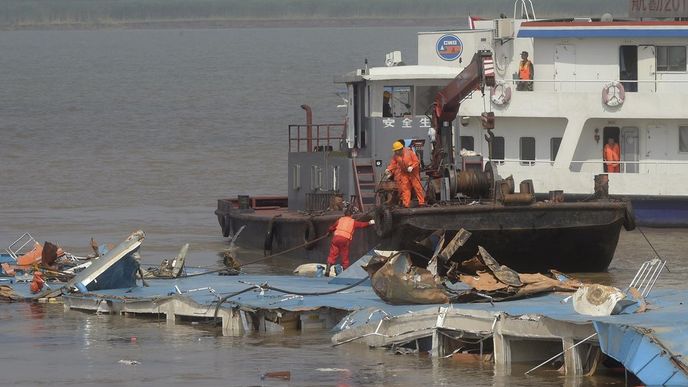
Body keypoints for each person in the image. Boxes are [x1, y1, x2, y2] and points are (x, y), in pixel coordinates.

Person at [325, 207, 374, 275]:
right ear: (351, 215)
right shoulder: (353, 222)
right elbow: (362, 225)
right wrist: (370, 222)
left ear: (344, 214)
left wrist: (329, 232)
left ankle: (327, 270)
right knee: (344, 255)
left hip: (336, 238)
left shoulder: (340, 220)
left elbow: (332, 227)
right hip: (344, 240)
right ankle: (345, 272)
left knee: (332, 254)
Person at [386, 141, 426, 208]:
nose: (395, 152)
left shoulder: (409, 152)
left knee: (417, 187)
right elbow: (393, 164)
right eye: (395, 151)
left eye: (396, 150)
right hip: (404, 172)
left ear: (400, 149)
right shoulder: (396, 156)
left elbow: (416, 161)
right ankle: (406, 204)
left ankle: (421, 203)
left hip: (413, 172)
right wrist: (388, 169)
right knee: (405, 188)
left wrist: (412, 167)